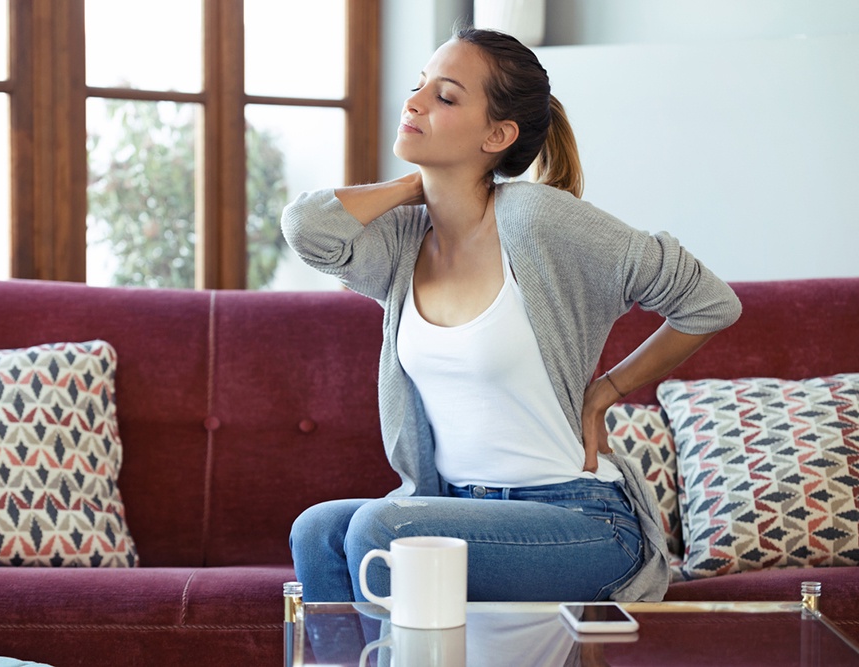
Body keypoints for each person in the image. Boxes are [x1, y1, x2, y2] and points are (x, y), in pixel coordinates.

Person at [282, 27, 741, 604]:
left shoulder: (535, 220)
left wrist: (606, 391)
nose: (414, 102)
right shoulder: (403, 242)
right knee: (318, 530)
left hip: (580, 521)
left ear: (497, 135)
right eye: (418, 85)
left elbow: (710, 303)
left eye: (445, 96)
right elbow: (306, 229)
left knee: (384, 531)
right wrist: (413, 187)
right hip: (456, 507)